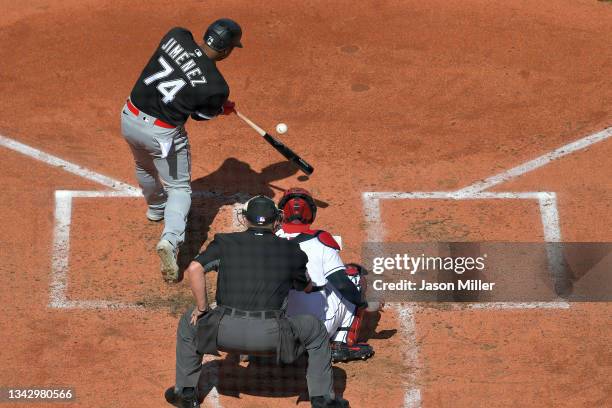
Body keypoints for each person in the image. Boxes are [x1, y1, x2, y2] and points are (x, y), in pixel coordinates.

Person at [165, 195, 350, 408]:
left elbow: (194, 268)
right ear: (276, 220)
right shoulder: (291, 250)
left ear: (245, 218)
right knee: (315, 329)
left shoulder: (224, 242)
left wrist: (202, 309)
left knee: (189, 323)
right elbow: (305, 286)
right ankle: (322, 400)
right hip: (273, 337)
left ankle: (185, 395)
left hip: (224, 332)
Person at [121, 18, 242, 282]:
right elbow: (200, 115)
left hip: (129, 116)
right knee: (179, 188)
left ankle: (155, 208)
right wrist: (221, 107)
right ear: (226, 50)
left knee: (143, 165)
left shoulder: (176, 35)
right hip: (161, 134)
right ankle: (171, 240)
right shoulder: (216, 86)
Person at [276, 188, 378, 362]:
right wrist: (366, 303)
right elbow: (342, 284)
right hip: (315, 331)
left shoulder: (268, 239)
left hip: (275, 331)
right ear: (311, 213)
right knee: (352, 276)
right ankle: (340, 344)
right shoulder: (321, 240)